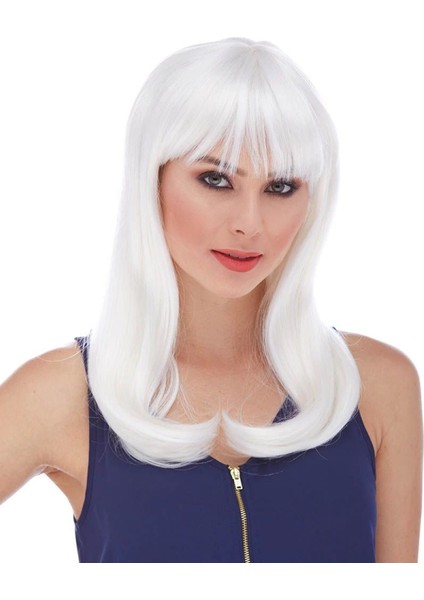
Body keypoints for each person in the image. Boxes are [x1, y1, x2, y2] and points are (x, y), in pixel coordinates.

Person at [0, 37, 422, 563]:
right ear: (153, 180)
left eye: (281, 187)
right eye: (216, 179)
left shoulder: (378, 387)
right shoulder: (61, 394)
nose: (249, 223)